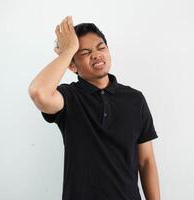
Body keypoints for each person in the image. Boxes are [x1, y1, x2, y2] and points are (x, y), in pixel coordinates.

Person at [28, 16, 160, 200]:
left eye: (101, 47)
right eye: (84, 52)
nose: (97, 55)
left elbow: (146, 161)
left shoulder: (134, 99)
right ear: (72, 66)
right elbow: (38, 93)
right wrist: (68, 51)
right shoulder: (69, 97)